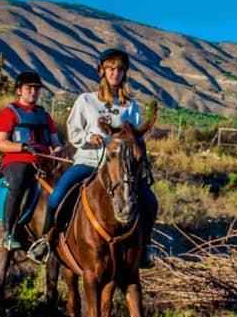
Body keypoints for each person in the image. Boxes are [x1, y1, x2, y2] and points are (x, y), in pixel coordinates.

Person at [29, 48, 158, 266]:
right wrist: (89, 138)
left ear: (124, 73)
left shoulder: (131, 106)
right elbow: (74, 131)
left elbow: (134, 136)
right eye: (110, 68)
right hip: (88, 162)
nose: (115, 73)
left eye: (120, 69)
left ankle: (144, 247)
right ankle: (46, 240)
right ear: (102, 71)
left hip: (120, 169)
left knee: (150, 201)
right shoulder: (86, 101)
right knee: (56, 196)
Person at [0, 70, 60, 250]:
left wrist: (59, 151)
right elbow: (0, 143)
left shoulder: (44, 116)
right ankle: (7, 233)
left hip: (44, 162)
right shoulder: (9, 113)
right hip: (18, 160)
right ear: (19, 90)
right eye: (29, 88)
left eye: (37, 89)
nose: (33, 92)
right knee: (19, 182)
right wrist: (21, 147)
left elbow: (55, 142)